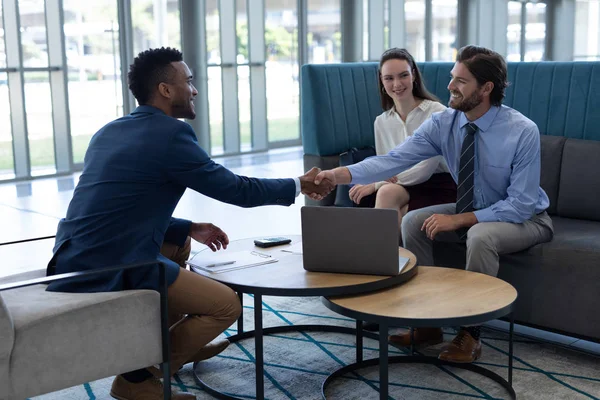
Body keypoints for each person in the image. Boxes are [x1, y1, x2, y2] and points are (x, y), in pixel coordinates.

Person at [45, 47, 333, 400]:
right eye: (189, 81)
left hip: (72, 257)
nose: (194, 90)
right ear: (166, 90)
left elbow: (116, 209)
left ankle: (174, 341)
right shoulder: (170, 135)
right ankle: (138, 377)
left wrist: (188, 227)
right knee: (226, 305)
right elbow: (235, 189)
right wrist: (297, 184)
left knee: (180, 243)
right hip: (113, 264)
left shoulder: (110, 130)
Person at [314, 45, 554, 363]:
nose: (450, 86)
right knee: (412, 221)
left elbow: (522, 203)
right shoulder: (445, 123)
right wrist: (337, 174)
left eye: (461, 81)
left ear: (486, 88)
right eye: (452, 78)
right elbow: (393, 160)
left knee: (482, 235)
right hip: (476, 206)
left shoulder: (522, 131)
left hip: (526, 218)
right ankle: (428, 323)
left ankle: (470, 333)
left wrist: (461, 219)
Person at [348, 47, 456, 232]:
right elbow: (385, 166)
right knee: (386, 193)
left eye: (403, 75)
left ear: (413, 75)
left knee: (395, 207)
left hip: (440, 183)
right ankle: (386, 259)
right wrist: (380, 181)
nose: (397, 84)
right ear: (382, 81)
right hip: (404, 186)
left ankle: (385, 255)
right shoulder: (381, 122)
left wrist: (375, 183)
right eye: (389, 78)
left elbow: (423, 170)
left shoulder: (437, 113)